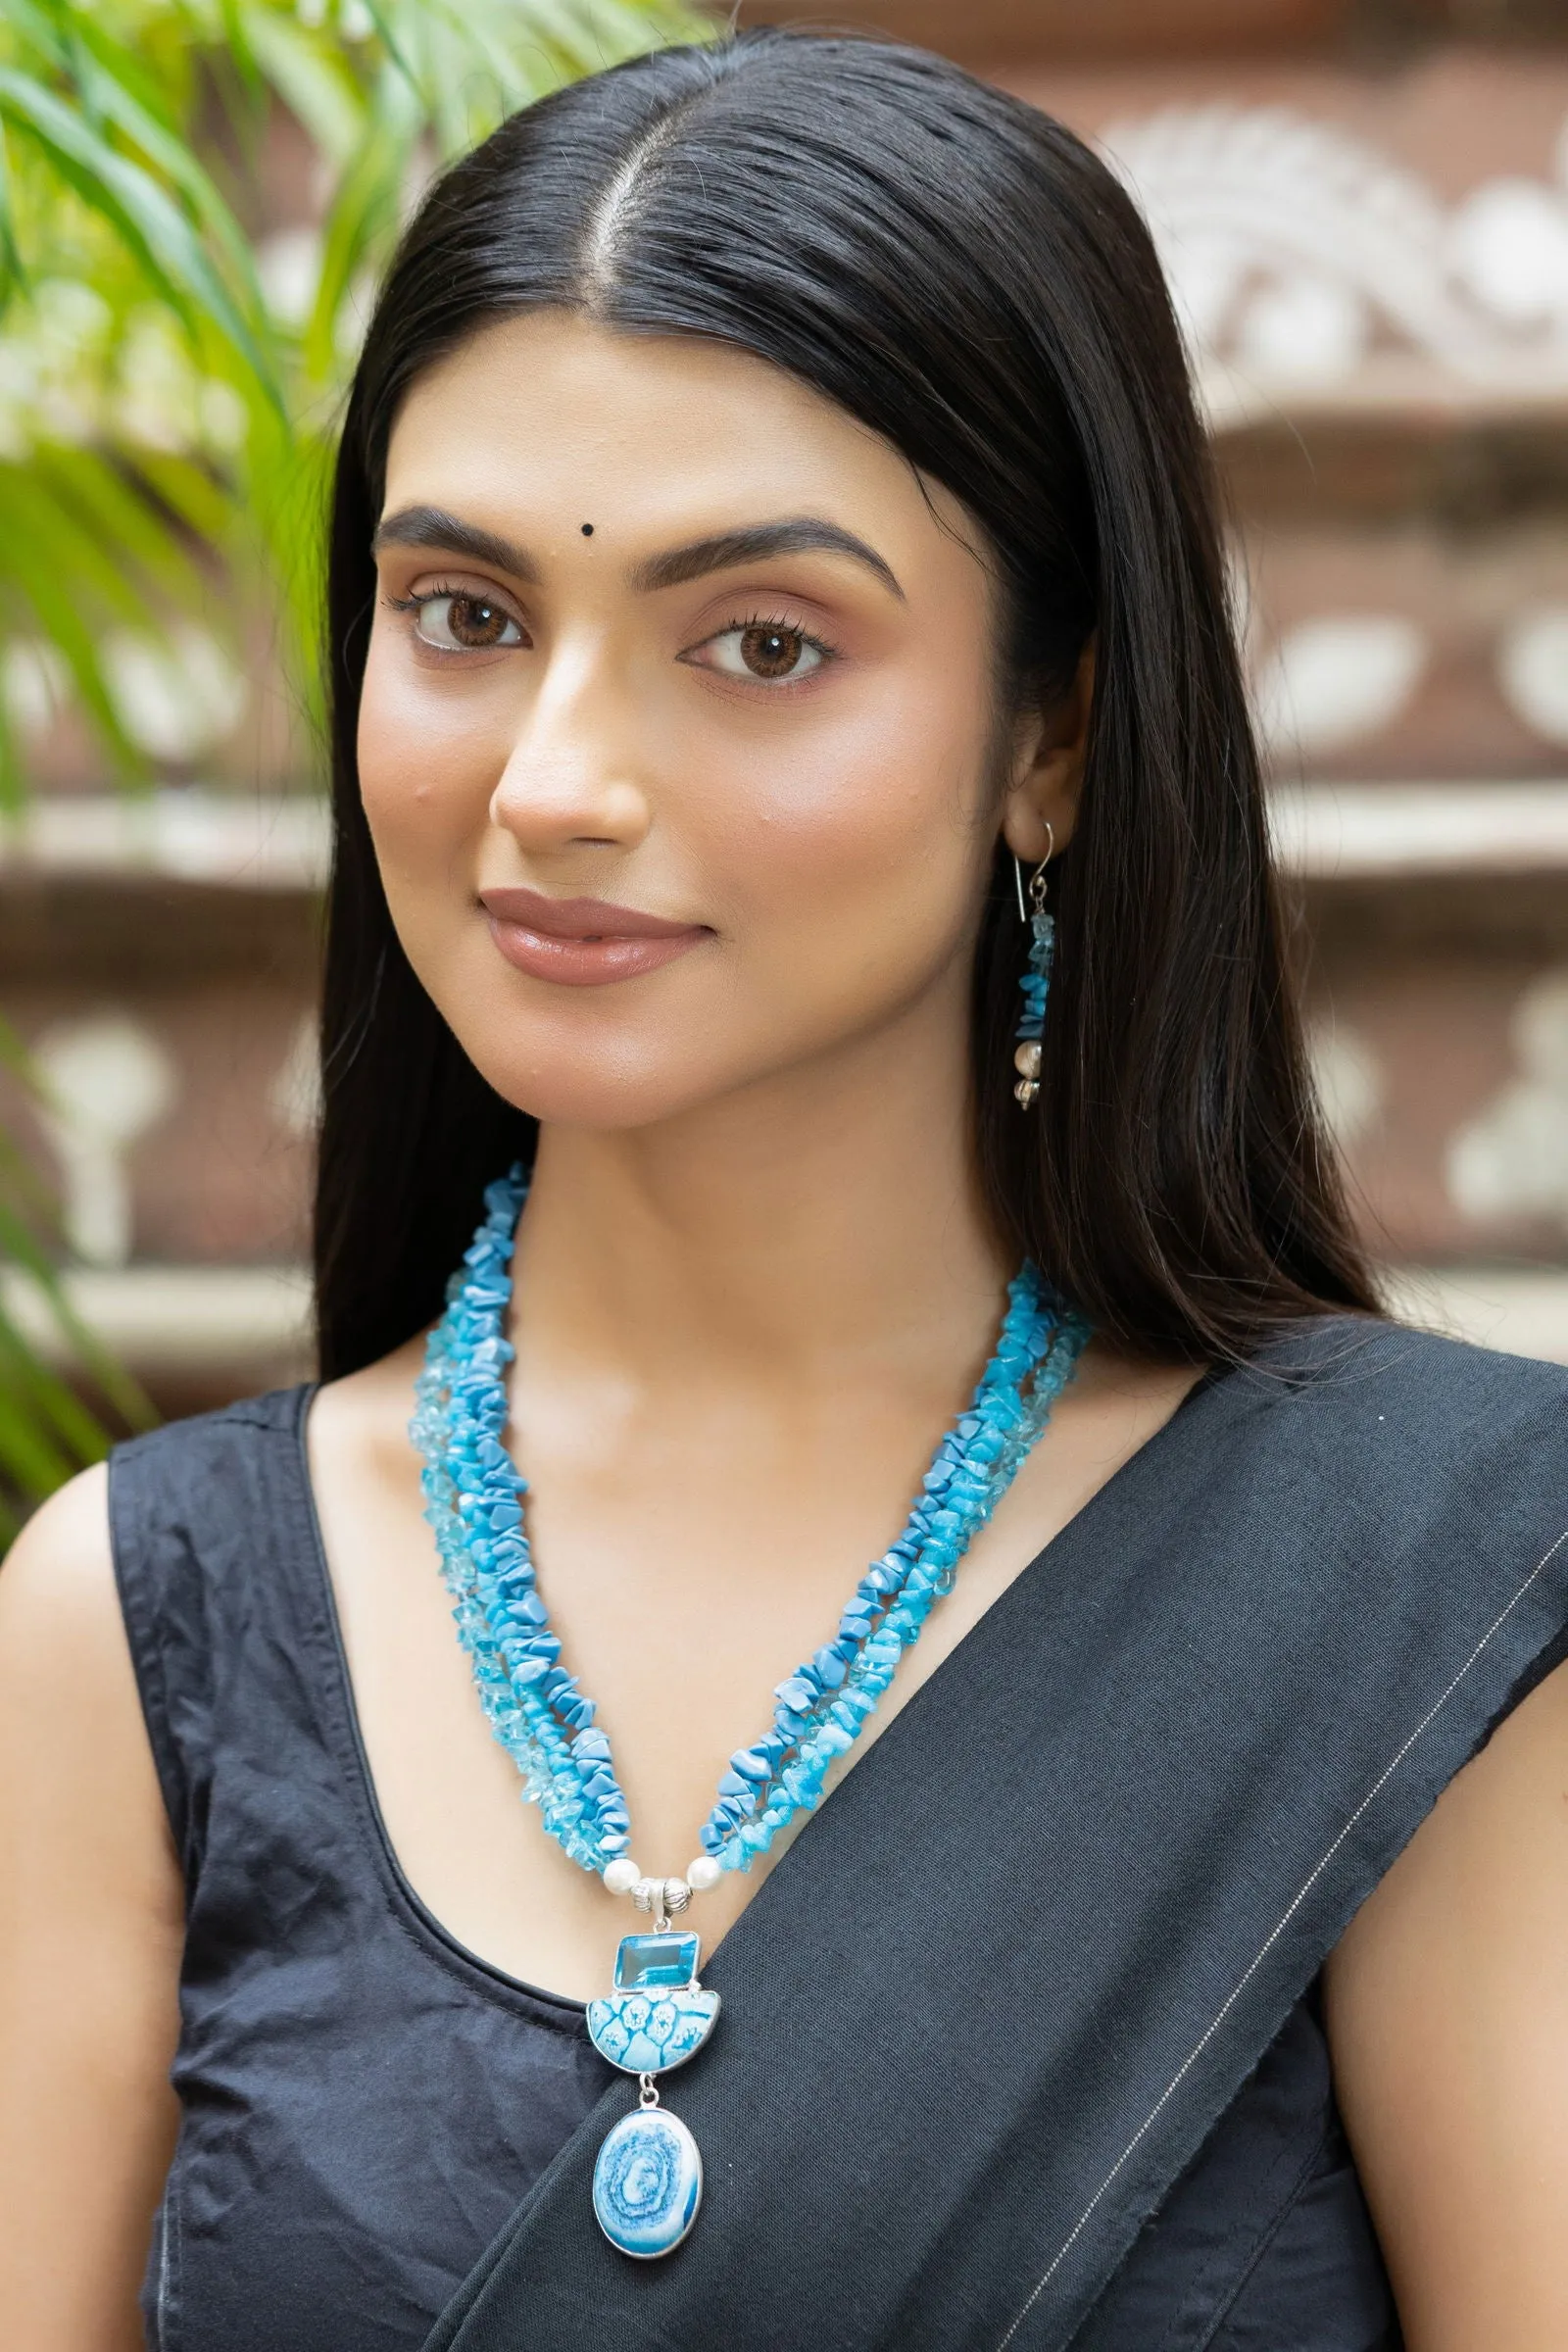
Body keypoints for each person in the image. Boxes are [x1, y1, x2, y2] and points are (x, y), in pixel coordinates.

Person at [2, 28, 1565, 2352]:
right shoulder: (140, 1625)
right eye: (461, 614)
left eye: (760, 644)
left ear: (1051, 738)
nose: (553, 781)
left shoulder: (1412, 1597)